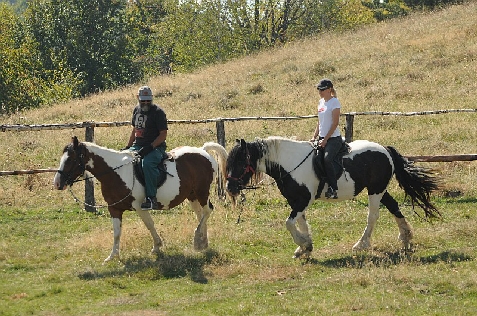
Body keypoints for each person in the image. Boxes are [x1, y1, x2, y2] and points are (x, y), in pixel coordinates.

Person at [125, 85, 168, 210]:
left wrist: (151, 147)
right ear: (138, 98)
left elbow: (163, 134)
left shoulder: (158, 113)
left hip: (156, 147)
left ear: (152, 98)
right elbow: (134, 130)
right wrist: (128, 147)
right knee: (122, 160)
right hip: (137, 145)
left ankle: (151, 198)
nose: (145, 102)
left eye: (148, 100)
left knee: (147, 164)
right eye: (143, 100)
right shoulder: (136, 110)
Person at [310, 78, 342, 199]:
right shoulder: (321, 102)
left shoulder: (335, 102)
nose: (320, 91)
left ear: (329, 89)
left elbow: (335, 123)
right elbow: (320, 122)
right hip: (322, 137)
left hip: (333, 138)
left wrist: (325, 140)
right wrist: (314, 137)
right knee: (316, 159)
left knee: (327, 159)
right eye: (318, 89)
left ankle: (334, 188)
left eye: (322, 89)